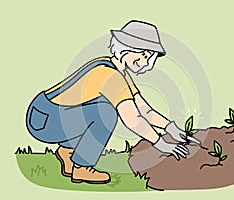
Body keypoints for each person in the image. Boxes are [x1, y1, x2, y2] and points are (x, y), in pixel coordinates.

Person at [25, 20, 199, 184]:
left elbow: (144, 110)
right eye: (144, 54)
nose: (146, 61)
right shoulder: (110, 75)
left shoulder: (120, 72)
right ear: (127, 48)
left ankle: (67, 153)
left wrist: (171, 128)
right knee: (105, 113)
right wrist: (161, 143)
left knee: (99, 109)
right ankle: (82, 167)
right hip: (45, 118)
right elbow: (133, 119)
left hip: (45, 113)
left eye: (150, 56)